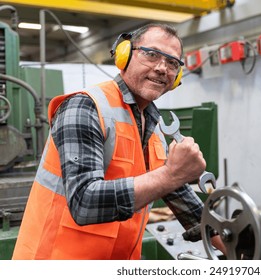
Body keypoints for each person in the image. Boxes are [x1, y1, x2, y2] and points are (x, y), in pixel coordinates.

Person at [12, 23, 223, 260]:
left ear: (177, 77)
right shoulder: (85, 107)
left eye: (172, 63)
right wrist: (172, 175)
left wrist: (234, 245)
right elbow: (84, 202)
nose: (162, 68)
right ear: (124, 55)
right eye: (151, 55)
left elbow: (184, 203)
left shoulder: (153, 130)